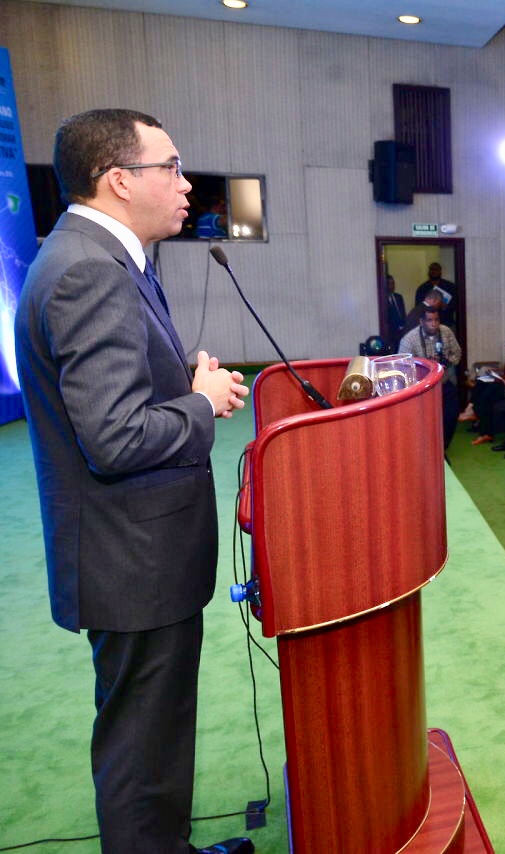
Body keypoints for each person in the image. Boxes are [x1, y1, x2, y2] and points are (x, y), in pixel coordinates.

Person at [14, 108, 252, 854]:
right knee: (141, 748)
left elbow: (112, 394)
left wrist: (183, 380)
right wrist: (201, 404)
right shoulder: (89, 271)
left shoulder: (107, 258)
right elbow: (114, 438)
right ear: (119, 179)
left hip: (137, 553)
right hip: (131, 561)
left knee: (154, 736)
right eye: (171, 167)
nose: (187, 185)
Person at [397, 304, 463, 447]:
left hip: (445, 382)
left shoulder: (446, 332)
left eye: (436, 320)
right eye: (429, 320)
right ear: (421, 321)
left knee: (451, 415)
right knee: (426, 420)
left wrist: (447, 361)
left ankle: (443, 447)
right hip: (422, 388)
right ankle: (429, 447)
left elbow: (457, 353)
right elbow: (401, 368)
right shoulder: (409, 340)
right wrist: (426, 366)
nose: (434, 324)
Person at [462, 336, 505, 426]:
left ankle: (476, 414)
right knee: (481, 381)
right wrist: (494, 372)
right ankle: (470, 408)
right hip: (504, 381)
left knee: (489, 391)